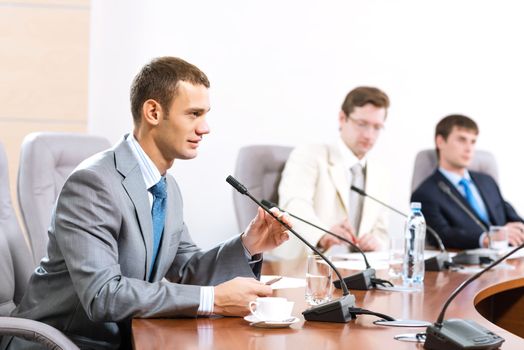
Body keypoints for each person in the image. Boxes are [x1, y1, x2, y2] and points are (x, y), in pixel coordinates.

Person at [2, 57, 290, 350]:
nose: (205, 128)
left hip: (126, 338)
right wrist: (212, 298)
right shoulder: (93, 184)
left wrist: (248, 244)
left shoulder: (166, 187)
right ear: (153, 111)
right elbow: (103, 295)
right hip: (64, 343)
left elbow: (186, 269)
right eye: (193, 114)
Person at [271, 86, 391, 259]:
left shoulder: (380, 173)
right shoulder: (309, 155)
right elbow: (294, 204)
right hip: (306, 266)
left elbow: (382, 232)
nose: (369, 135)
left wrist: (377, 243)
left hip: (356, 270)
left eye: (377, 127)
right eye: (362, 124)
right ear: (342, 118)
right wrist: (322, 235)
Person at [411, 114, 524, 249]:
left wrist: (518, 228)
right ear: (440, 141)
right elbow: (441, 235)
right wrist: (487, 238)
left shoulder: (487, 181)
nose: (469, 148)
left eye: (473, 142)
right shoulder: (425, 193)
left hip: (509, 258)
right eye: (461, 140)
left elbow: (512, 216)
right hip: (467, 264)